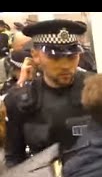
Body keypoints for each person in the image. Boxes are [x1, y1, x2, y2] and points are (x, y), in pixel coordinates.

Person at [3, 19, 92, 168]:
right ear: (35, 55)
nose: (65, 65)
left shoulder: (97, 90)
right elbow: (14, 159)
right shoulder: (20, 101)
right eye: (55, 57)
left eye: (71, 56)